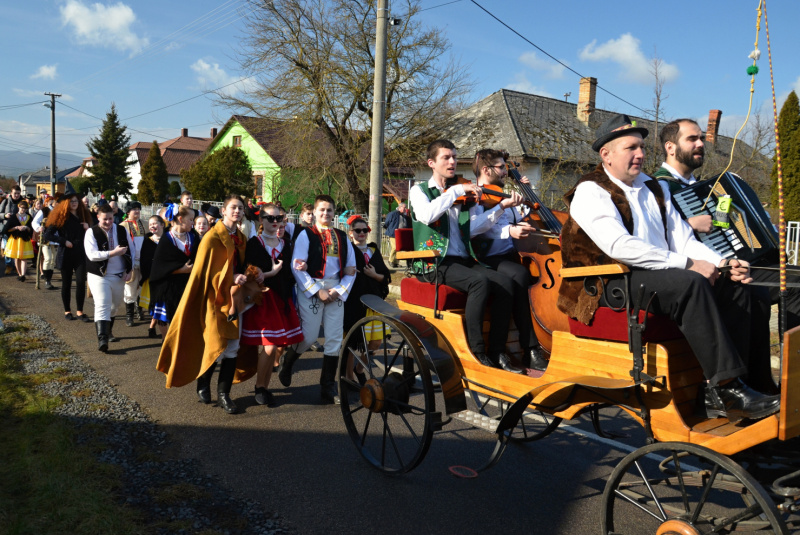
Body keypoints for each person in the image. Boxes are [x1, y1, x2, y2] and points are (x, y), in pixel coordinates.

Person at [557, 113, 779, 423]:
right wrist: (688, 264)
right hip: (607, 282)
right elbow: (619, 246)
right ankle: (725, 389)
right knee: (690, 283)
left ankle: (748, 384)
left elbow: (682, 240)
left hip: (657, 276)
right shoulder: (591, 190)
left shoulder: (653, 188)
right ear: (606, 154)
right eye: (631, 148)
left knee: (736, 283)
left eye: (641, 147)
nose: (640, 154)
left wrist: (722, 263)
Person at [655, 118, 800, 332]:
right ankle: (790, 353)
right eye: (692, 139)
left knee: (794, 276)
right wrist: (689, 224)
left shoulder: (705, 187)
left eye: (701, 138)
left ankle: (787, 351)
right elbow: (654, 236)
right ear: (670, 147)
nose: (700, 144)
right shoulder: (660, 186)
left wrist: (768, 232)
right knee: (795, 282)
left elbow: (724, 225)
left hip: (733, 264)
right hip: (703, 272)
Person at [409, 139, 526, 373]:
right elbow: (426, 215)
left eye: (454, 156)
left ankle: (497, 351)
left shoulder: (463, 190)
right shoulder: (419, 191)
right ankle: (477, 352)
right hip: (434, 261)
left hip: (462, 260)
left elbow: (474, 228)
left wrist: (500, 207)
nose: (452, 161)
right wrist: (454, 192)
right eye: (446, 157)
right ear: (431, 163)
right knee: (479, 282)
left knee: (505, 283)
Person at [157, 195, 258, 415]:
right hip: (214, 300)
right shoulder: (212, 237)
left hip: (234, 300)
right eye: (233, 207)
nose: (237, 211)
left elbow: (242, 264)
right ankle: (203, 383)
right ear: (223, 210)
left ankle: (224, 394)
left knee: (233, 346)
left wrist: (250, 273)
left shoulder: (241, 238)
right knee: (214, 343)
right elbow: (205, 272)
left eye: (240, 208)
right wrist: (231, 277)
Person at [472, 149, 548, 371]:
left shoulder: (501, 194)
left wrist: (528, 194)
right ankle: (526, 348)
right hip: (485, 256)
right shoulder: (475, 196)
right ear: (486, 170)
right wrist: (509, 231)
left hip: (509, 255)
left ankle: (534, 346)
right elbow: (477, 230)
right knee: (519, 274)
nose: (506, 172)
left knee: (525, 274)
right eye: (501, 167)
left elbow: (519, 217)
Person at [279, 194, 357, 404]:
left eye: (329, 210)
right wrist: (317, 290)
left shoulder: (342, 236)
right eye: (322, 209)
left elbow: (351, 268)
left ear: (334, 213)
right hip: (312, 287)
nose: (326, 213)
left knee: (334, 340)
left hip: (336, 289)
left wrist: (339, 290)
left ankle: (327, 388)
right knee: (309, 336)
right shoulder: (306, 235)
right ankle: (288, 360)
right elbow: (297, 267)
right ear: (314, 212)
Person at [241, 203, 304, 406]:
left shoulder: (286, 244)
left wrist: (303, 267)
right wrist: (271, 273)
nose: (275, 222)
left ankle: (264, 387)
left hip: (282, 299)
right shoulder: (254, 243)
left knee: (276, 345)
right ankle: (260, 387)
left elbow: (290, 274)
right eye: (270, 218)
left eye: (279, 218)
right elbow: (251, 275)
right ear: (261, 220)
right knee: (269, 346)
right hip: (263, 300)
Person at [343, 216, 392, 383]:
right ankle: (349, 377)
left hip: (374, 302)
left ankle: (359, 369)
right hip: (353, 303)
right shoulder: (347, 251)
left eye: (365, 230)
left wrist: (374, 275)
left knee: (376, 342)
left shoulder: (374, 251)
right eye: (357, 230)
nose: (362, 233)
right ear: (351, 233)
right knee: (352, 342)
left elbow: (385, 277)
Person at [85, 204, 133, 352]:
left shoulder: (121, 230)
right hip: (99, 275)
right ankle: (103, 339)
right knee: (102, 304)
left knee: (114, 306)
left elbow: (131, 250)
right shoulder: (91, 232)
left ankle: (108, 331)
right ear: (98, 217)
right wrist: (113, 253)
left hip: (118, 275)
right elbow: (92, 255)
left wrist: (130, 269)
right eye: (104, 219)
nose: (108, 222)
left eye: (110, 218)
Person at [43, 192, 94, 322]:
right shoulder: (61, 216)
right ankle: (67, 311)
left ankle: (80, 311)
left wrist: (88, 228)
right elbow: (47, 234)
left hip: (81, 253)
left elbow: (94, 233)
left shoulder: (84, 215)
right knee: (66, 283)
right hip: (66, 253)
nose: (74, 203)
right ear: (66, 203)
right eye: (72, 201)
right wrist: (64, 241)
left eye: (76, 200)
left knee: (81, 282)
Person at [148, 206, 198, 338]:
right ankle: (167, 342)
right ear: (180, 219)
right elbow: (159, 268)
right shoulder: (166, 239)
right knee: (164, 317)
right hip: (168, 287)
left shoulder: (193, 237)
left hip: (188, 286)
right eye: (190, 219)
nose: (193, 223)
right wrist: (181, 270)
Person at [120, 201, 147, 326]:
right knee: (130, 288)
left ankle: (139, 309)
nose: (137, 211)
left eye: (138, 209)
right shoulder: (122, 226)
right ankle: (129, 315)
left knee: (141, 288)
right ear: (128, 211)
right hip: (130, 262)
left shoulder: (145, 224)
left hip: (144, 261)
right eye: (134, 209)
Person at [138, 215, 165, 338]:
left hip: (166, 277)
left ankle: (153, 327)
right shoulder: (147, 241)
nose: (152, 226)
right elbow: (144, 260)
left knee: (162, 305)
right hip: (152, 278)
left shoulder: (169, 239)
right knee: (156, 305)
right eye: (150, 224)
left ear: (162, 225)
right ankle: (155, 328)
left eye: (155, 223)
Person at [3, 199, 34, 281]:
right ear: (18, 207)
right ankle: (20, 274)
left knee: (24, 258)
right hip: (15, 240)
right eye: (22, 207)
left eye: (25, 208)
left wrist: (26, 227)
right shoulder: (14, 217)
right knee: (17, 258)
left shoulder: (29, 217)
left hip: (25, 240)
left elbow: (32, 229)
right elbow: (6, 229)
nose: (23, 209)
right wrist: (16, 227)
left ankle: (23, 275)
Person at [32, 203, 57, 289]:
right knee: (48, 258)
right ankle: (47, 281)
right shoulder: (44, 210)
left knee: (53, 260)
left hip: (56, 239)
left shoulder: (60, 211)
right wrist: (39, 228)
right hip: (45, 238)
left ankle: (49, 280)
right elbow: (34, 222)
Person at [0, 185, 23, 275]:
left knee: (18, 249)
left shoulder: (23, 202)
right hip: (7, 229)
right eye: (15, 193)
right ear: (11, 193)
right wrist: (5, 215)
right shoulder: (5, 201)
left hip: (18, 229)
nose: (16, 195)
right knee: (7, 248)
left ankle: (17, 266)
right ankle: (9, 266)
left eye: (18, 193)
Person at [383, 202, 411, 268]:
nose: (405, 209)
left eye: (406, 208)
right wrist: (390, 229)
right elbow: (387, 223)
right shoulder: (393, 214)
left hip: (401, 234)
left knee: (399, 248)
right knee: (395, 247)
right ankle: (391, 261)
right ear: (400, 207)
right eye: (404, 207)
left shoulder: (404, 216)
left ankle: (396, 262)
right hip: (393, 234)